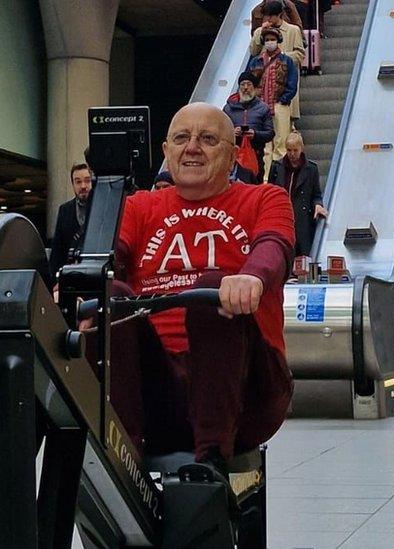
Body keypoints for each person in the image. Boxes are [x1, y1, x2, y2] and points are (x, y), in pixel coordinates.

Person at [109, 103, 295, 473]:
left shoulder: (264, 198)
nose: (192, 147)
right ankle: (121, 454)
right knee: (109, 297)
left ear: (232, 155)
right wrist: (85, 284)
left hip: (244, 390)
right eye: (181, 138)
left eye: (208, 139)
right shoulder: (139, 206)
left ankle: (211, 457)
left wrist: (253, 278)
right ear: (166, 152)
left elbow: (275, 246)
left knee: (212, 288)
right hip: (158, 389)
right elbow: (111, 254)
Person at [246, 27, 298, 181]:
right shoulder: (256, 61)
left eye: (272, 39)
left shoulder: (286, 60)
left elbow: (292, 83)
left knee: (281, 142)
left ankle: (282, 178)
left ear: (278, 41)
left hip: (279, 105)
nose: (270, 42)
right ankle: (266, 179)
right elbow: (249, 82)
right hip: (260, 108)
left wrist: (284, 99)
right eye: (267, 40)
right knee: (265, 145)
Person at [268, 132, 327, 257]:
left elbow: (316, 194)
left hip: (302, 222)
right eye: (289, 150)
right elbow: (269, 193)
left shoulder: (311, 169)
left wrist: (318, 205)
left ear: (302, 148)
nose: (292, 154)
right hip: (281, 220)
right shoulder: (276, 167)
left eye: (295, 150)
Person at [250, 2, 305, 123]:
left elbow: (300, 54)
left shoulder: (293, 30)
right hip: (264, 82)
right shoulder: (260, 31)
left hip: (284, 80)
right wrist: (260, 33)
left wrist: (283, 57)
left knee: (285, 123)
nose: (268, 19)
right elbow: (254, 51)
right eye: (266, 16)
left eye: (271, 16)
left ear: (279, 14)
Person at [223, 71, 274, 184]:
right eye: (243, 84)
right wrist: (232, 133)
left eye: (249, 84)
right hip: (233, 159)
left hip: (256, 156)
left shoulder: (263, 108)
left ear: (254, 88)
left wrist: (255, 134)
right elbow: (219, 133)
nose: (246, 87)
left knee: (255, 191)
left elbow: (270, 133)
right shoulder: (228, 109)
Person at [49, 161, 94, 282]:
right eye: (78, 182)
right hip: (70, 274)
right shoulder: (65, 210)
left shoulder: (101, 208)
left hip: (94, 273)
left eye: (87, 180)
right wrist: (55, 282)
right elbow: (57, 249)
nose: (83, 186)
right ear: (73, 184)